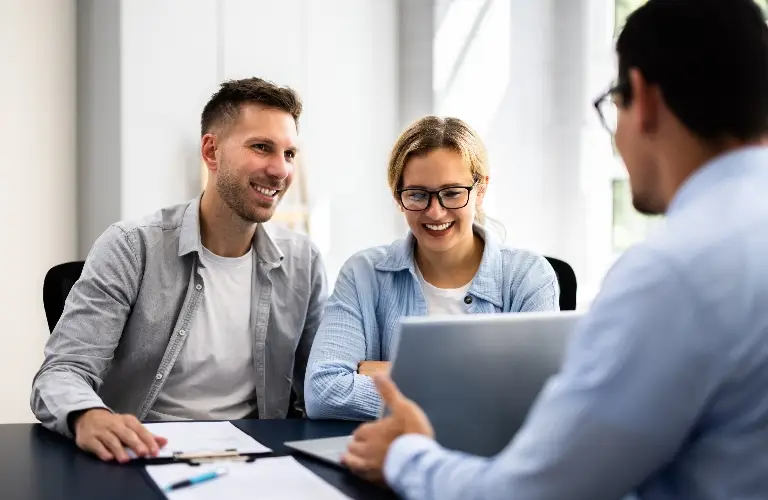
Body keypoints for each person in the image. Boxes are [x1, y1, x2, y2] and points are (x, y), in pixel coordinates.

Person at [341, 0, 768, 498]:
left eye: (615, 103)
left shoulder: (672, 273)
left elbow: (532, 492)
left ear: (646, 101)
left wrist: (406, 453)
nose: (435, 211)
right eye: (417, 195)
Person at [30, 77, 328, 463]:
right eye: (261, 147)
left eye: (289, 154)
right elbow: (61, 371)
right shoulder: (132, 246)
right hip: (143, 455)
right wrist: (88, 415)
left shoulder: (303, 261)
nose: (280, 170)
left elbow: (321, 382)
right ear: (211, 151)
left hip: (255, 461)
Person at [304, 116, 560, 421]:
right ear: (398, 197)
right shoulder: (363, 274)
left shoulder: (530, 277)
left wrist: (391, 374)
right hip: (388, 456)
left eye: (452, 192)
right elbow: (323, 391)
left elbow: (534, 400)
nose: (435, 211)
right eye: (417, 195)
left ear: (481, 190)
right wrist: (478, 388)